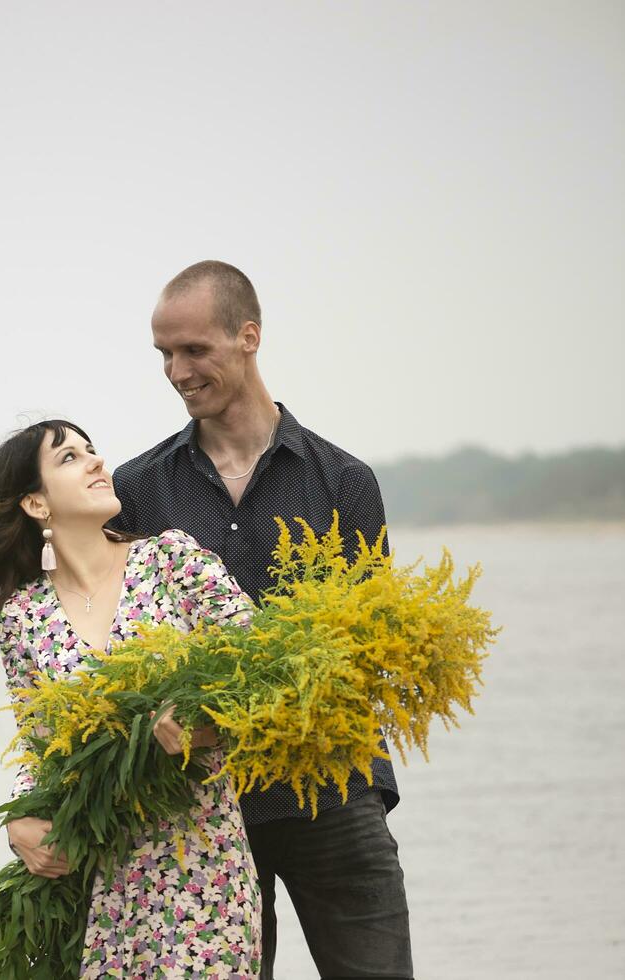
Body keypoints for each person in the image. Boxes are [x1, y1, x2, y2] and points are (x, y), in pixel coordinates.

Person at [107, 261, 414, 980]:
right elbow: (115, 647)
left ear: (248, 337)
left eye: (193, 350)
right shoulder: (135, 490)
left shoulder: (341, 481)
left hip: (332, 795)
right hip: (197, 813)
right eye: (163, 355)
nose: (176, 371)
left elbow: (367, 655)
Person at [0, 418, 262, 979]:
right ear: (35, 504)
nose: (97, 462)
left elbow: (259, 661)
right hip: (100, 872)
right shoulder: (24, 617)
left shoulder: (171, 562)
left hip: (201, 857)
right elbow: (38, 741)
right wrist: (20, 821)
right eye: (70, 458)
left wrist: (200, 710)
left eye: (92, 450)